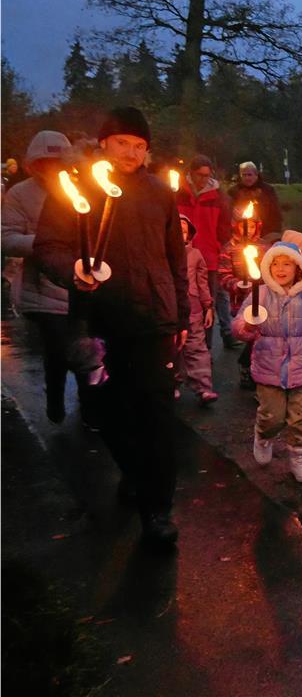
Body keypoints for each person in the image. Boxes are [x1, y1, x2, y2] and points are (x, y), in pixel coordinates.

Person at [34, 106, 189, 549]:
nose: (133, 153)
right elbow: (49, 247)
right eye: (124, 143)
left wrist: (180, 315)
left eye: (141, 146)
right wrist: (74, 269)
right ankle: (134, 471)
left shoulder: (159, 192)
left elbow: (175, 258)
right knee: (106, 412)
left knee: (157, 415)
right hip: (97, 320)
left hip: (152, 319)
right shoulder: (78, 190)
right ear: (104, 142)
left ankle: (157, 511)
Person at [232, 241, 302, 483]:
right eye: (275, 264)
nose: (280, 269)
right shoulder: (260, 294)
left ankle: (300, 458)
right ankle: (263, 436)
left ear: (298, 268)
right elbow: (239, 329)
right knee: (272, 415)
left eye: (287, 264)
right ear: (266, 267)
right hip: (268, 366)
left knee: (301, 415)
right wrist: (248, 325)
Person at [1, 130, 82, 422]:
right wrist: (46, 243)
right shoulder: (20, 194)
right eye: (45, 162)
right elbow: (7, 238)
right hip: (43, 287)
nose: (53, 168)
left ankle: (89, 406)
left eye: (58, 161)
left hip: (79, 282)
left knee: (87, 346)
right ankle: (56, 398)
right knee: (58, 347)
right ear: (34, 164)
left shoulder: (79, 189)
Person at [177, 154, 232, 348]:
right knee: (183, 301)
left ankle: (205, 347)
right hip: (182, 257)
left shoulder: (219, 198)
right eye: (199, 175)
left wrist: (217, 245)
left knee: (207, 303)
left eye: (207, 175)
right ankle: (183, 347)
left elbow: (225, 228)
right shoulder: (178, 194)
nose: (203, 179)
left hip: (209, 258)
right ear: (191, 173)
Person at [218, 208, 265, 389]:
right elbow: (223, 275)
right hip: (241, 301)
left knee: (260, 335)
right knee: (250, 333)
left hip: (261, 297)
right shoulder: (229, 248)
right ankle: (246, 366)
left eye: (252, 226)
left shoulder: (263, 247)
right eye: (245, 226)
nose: (249, 230)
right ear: (236, 226)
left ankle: (256, 369)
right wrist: (236, 284)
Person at [175, 214, 218, 406]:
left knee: (197, 349)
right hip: (170, 310)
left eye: (183, 231)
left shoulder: (195, 255)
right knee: (171, 349)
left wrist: (208, 306)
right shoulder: (161, 255)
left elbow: (202, 283)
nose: (179, 234)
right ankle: (171, 383)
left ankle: (203, 388)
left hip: (193, 310)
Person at [228, 161, 283, 236]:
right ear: (240, 176)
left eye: (249, 175)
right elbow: (227, 212)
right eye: (244, 175)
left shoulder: (268, 190)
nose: (247, 178)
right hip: (240, 234)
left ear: (256, 175)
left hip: (265, 233)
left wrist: (274, 234)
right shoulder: (233, 191)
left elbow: (276, 214)